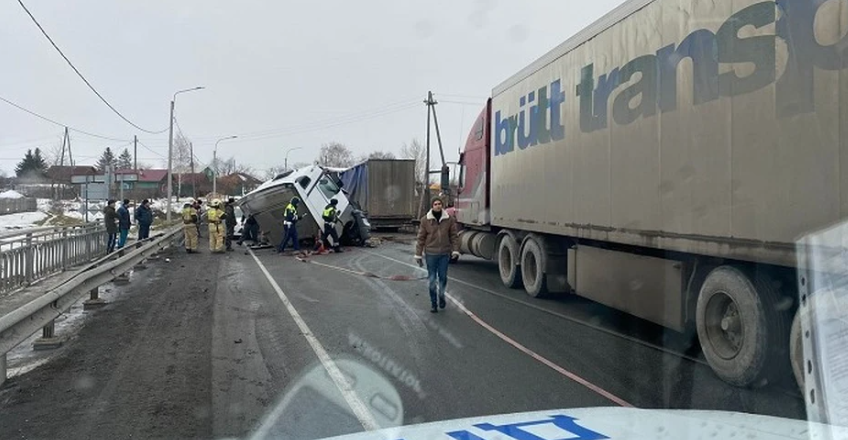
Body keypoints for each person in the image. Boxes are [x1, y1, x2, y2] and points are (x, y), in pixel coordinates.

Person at [414, 197, 460, 313]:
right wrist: (418, 255)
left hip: (444, 254)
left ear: (442, 205)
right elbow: (421, 238)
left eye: (439, 204)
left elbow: (454, 236)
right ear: (432, 206)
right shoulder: (425, 220)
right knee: (432, 279)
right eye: (435, 204)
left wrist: (455, 250)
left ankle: (441, 295)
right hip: (431, 254)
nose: (438, 206)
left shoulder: (449, 220)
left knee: (443, 277)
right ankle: (434, 303)